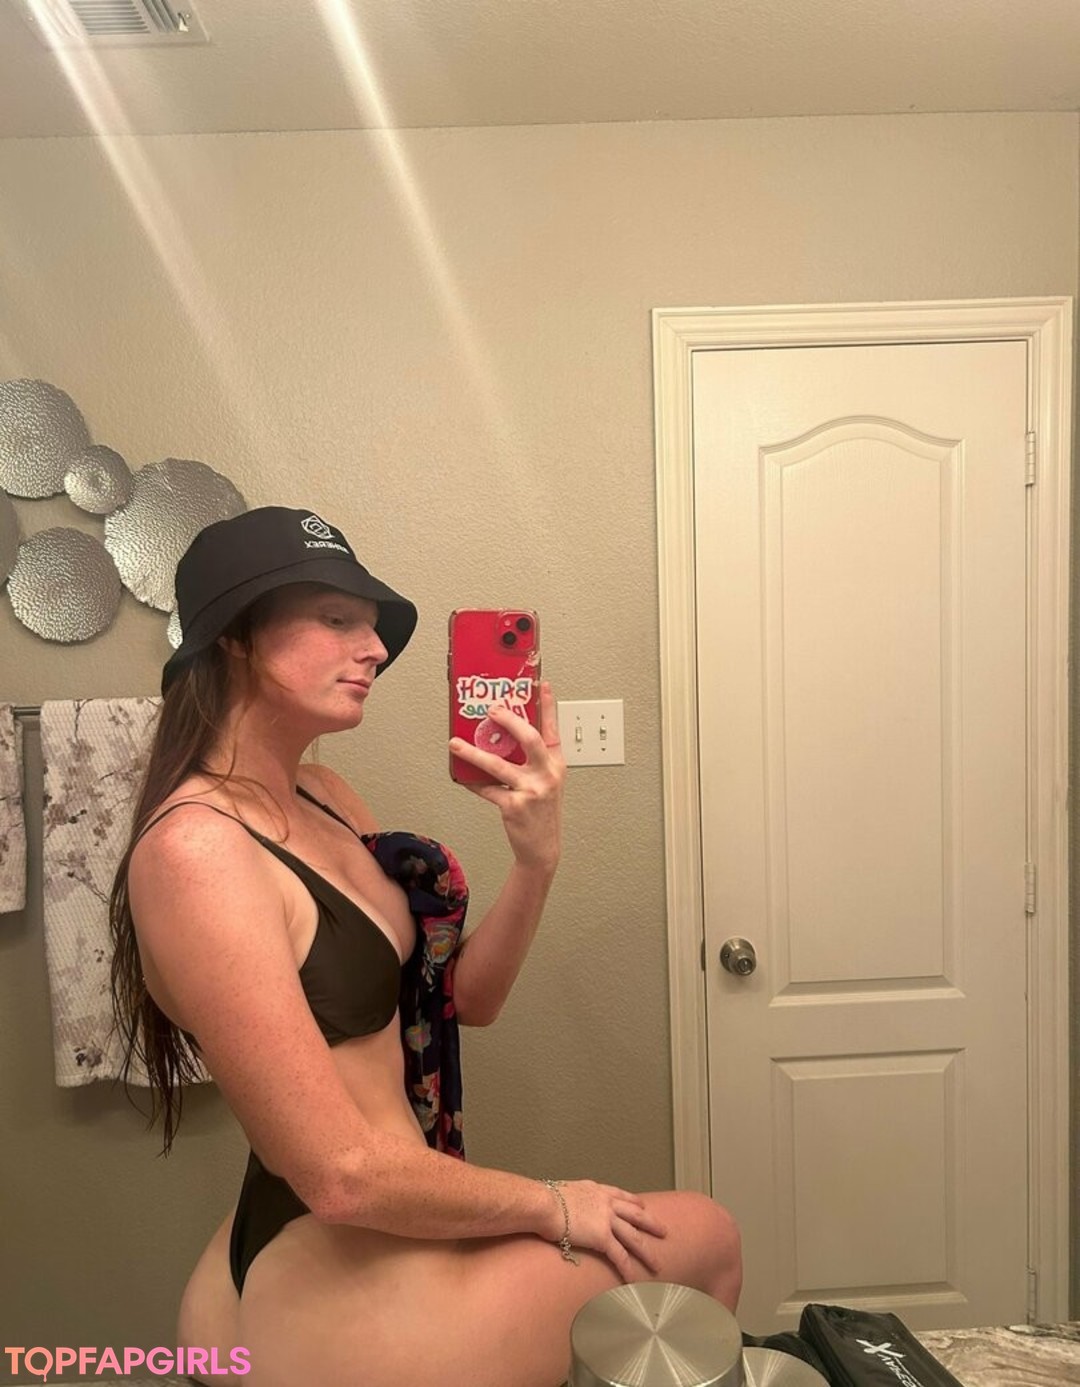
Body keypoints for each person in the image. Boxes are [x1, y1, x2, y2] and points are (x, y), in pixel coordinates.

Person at [109, 506, 741, 1387]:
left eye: (373, 625)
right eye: (337, 618)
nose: (374, 648)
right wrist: (556, 1204)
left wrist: (537, 858)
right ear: (237, 638)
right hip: (328, 1271)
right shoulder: (197, 850)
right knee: (708, 1238)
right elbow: (339, 1173)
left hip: (372, 1230)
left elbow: (463, 1000)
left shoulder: (324, 794)